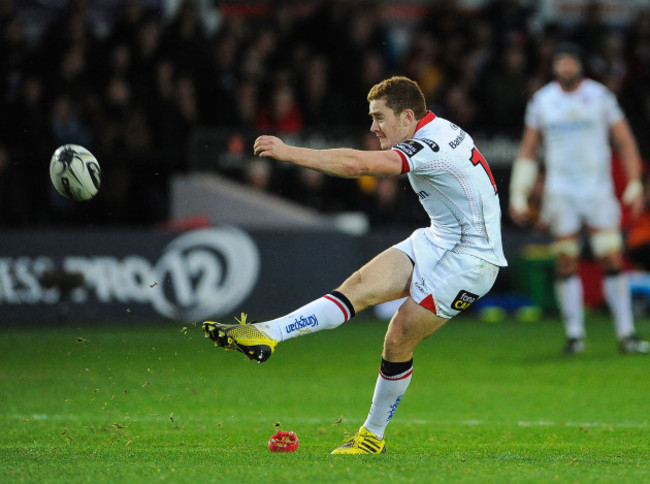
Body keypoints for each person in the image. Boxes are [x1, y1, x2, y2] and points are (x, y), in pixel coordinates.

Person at [203, 76, 507, 454]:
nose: (373, 127)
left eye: (380, 118)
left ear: (408, 116)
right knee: (359, 286)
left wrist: (289, 152)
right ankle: (266, 333)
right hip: (439, 237)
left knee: (399, 336)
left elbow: (355, 165)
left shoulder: (431, 146)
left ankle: (371, 437)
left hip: (472, 259)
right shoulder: (434, 127)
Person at [509, 42, 649, 355]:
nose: (567, 66)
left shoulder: (599, 96)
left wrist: (635, 182)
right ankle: (575, 335)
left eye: (571, 61)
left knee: (611, 257)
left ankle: (626, 334)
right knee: (565, 259)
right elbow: (529, 149)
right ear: (555, 66)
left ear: (581, 65)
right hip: (561, 190)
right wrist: (519, 193)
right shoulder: (543, 101)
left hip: (597, 188)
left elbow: (625, 141)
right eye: (561, 61)